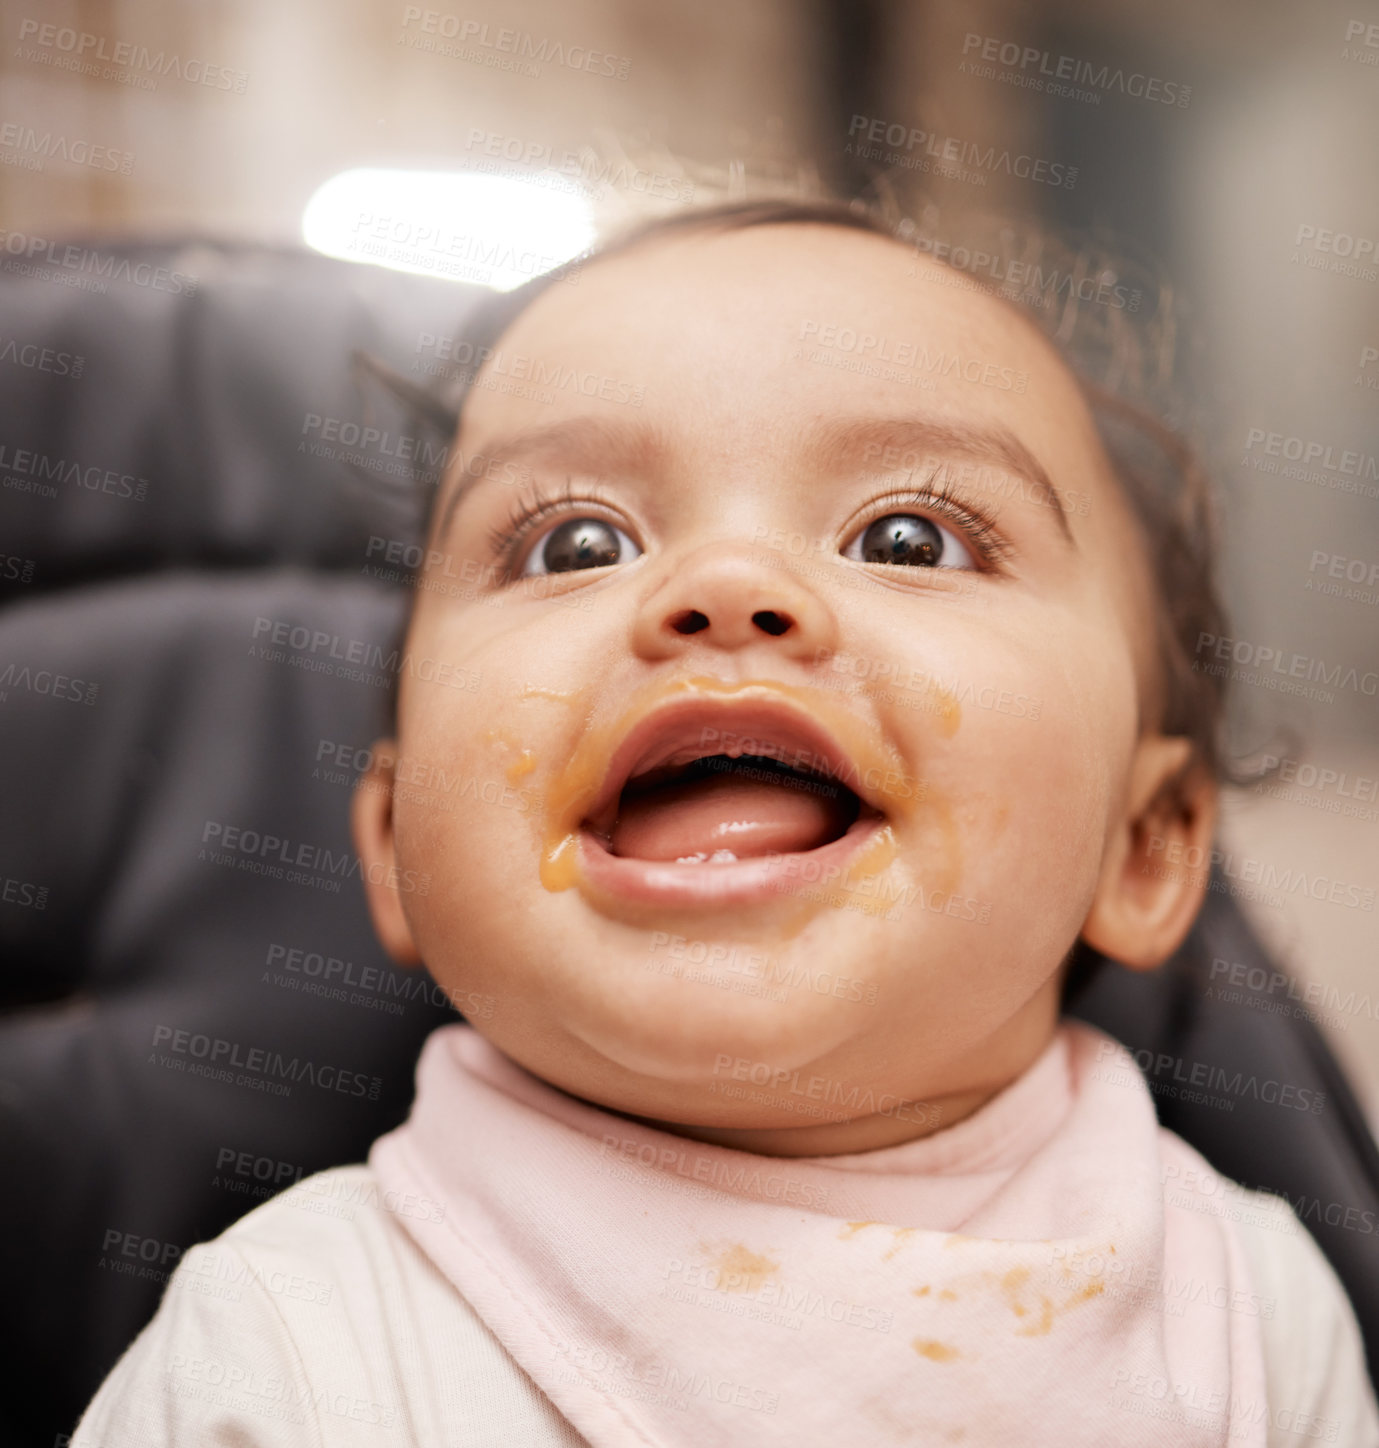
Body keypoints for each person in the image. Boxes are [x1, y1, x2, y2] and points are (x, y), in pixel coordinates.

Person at [72, 197, 1379, 1446]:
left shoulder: (1248, 1321)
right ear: (396, 848)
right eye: (575, 545)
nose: (726, 586)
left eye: (910, 538)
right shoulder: (286, 1354)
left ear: (1144, 849)